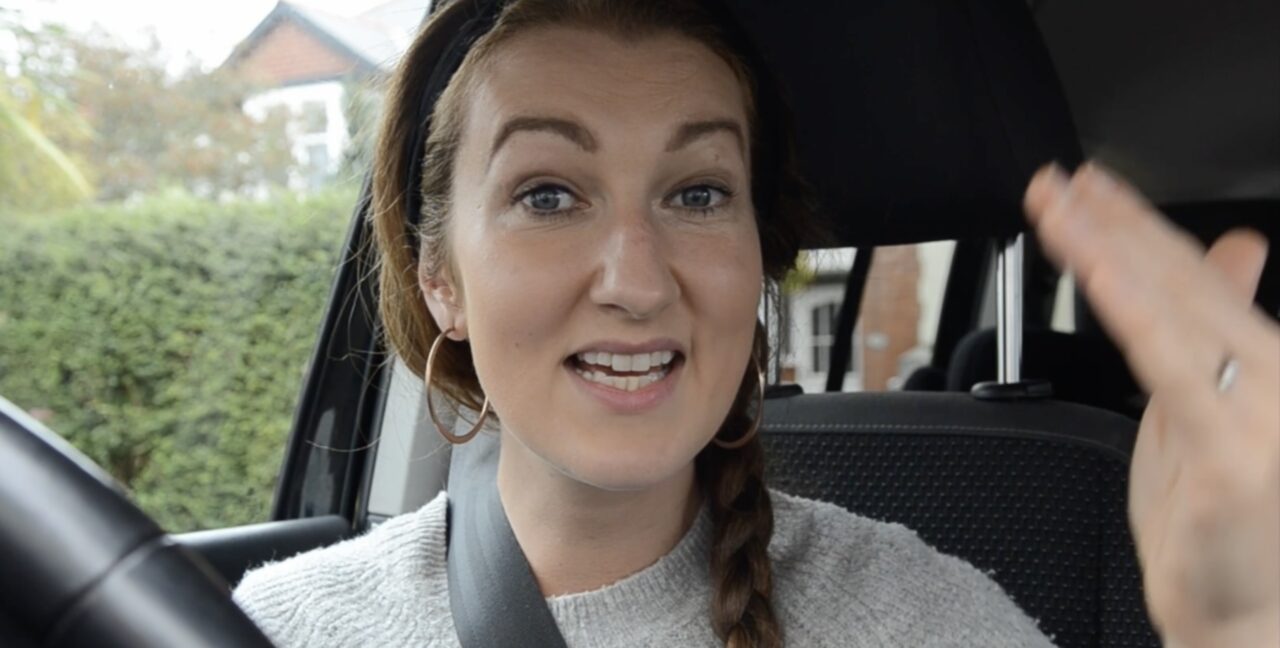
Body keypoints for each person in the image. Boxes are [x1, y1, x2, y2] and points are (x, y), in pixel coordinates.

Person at [232, 0, 1280, 646]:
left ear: (756, 263)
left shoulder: (910, 620)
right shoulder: (282, 626)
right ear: (438, 279)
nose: (636, 281)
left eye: (696, 194)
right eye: (548, 194)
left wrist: (1229, 634)